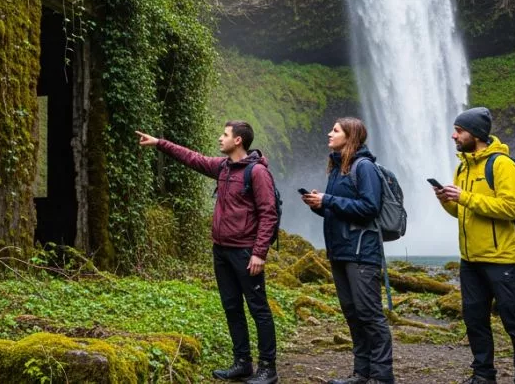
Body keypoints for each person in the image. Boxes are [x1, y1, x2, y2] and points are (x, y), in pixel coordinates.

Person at [136, 122, 280, 384]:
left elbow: (268, 213)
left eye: (224, 134)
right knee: (232, 306)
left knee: (258, 308)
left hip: (246, 251)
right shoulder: (223, 168)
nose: (219, 138)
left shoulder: (257, 173)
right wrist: (159, 143)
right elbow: (192, 158)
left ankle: (268, 368)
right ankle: (242, 363)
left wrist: (259, 253)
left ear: (238, 141)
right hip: (221, 250)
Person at [434, 107, 515, 384]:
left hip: (502, 259)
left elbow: (510, 208)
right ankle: (483, 376)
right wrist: (447, 200)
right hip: (470, 259)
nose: (453, 135)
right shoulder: (463, 166)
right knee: (475, 320)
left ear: (476, 134)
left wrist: (465, 197)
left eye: (459, 130)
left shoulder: (502, 165)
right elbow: (461, 212)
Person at [301, 117, 394, 384]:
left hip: (362, 252)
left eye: (336, 130)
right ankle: (361, 373)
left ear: (350, 136)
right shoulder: (337, 168)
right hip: (340, 251)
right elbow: (340, 212)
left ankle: (382, 375)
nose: (329, 133)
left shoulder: (364, 167)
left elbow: (369, 208)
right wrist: (318, 205)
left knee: (369, 314)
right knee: (352, 314)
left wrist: (328, 199)